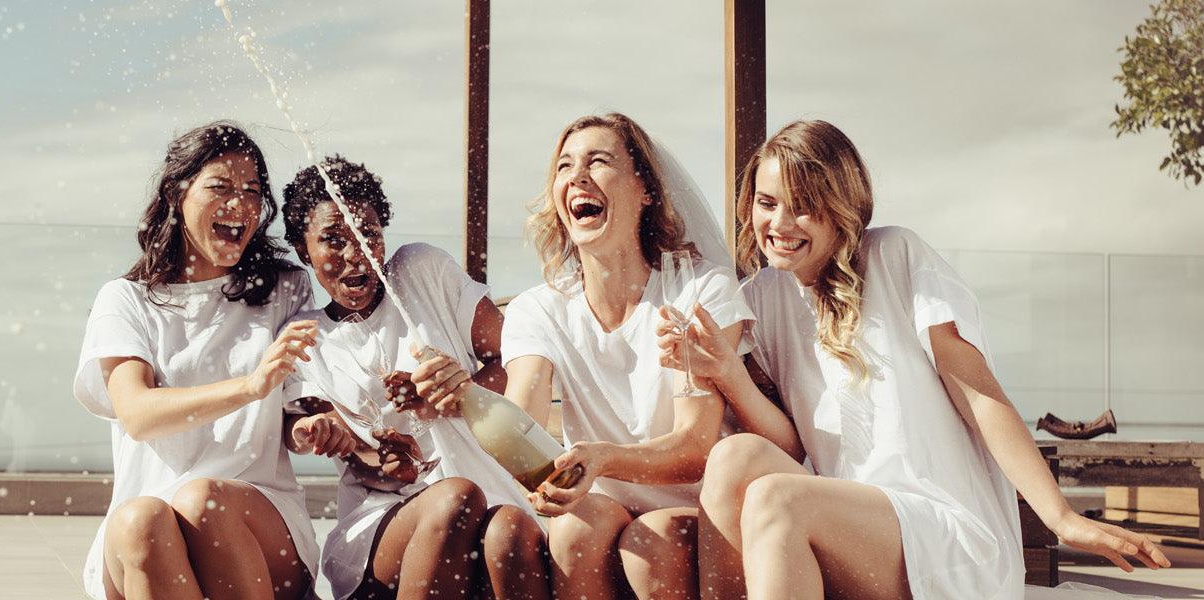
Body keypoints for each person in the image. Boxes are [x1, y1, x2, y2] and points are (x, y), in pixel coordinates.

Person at [684, 119, 1170, 600]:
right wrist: (728, 372)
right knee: (734, 457)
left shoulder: (895, 255)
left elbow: (979, 395)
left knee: (776, 498)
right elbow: (786, 445)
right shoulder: (761, 298)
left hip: (944, 532)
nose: (780, 224)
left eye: (805, 207)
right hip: (846, 523)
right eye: (767, 204)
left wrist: (1060, 516)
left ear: (840, 208)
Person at [502, 113, 800, 599]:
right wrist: (464, 403)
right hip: (600, 496)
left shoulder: (699, 289)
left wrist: (602, 459)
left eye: (598, 162)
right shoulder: (539, 309)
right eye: (564, 166)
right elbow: (521, 420)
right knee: (574, 533)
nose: (577, 176)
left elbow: (697, 446)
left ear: (645, 190)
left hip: (697, 500)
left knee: (652, 541)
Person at [280, 155, 550, 599]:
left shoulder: (419, 271)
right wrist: (391, 464)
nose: (356, 254)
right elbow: (357, 455)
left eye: (368, 233)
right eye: (331, 240)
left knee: (510, 532)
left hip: (489, 496)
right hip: (385, 526)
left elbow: (516, 358)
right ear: (301, 249)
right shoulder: (307, 339)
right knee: (455, 498)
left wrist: (459, 393)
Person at [71, 121, 320, 600]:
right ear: (175, 194)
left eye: (253, 190)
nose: (241, 204)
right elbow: (138, 415)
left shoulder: (285, 289)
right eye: (220, 187)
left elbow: (299, 409)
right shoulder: (127, 300)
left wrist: (313, 425)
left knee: (203, 500)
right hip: (148, 535)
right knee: (142, 517)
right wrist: (250, 386)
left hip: (257, 520)